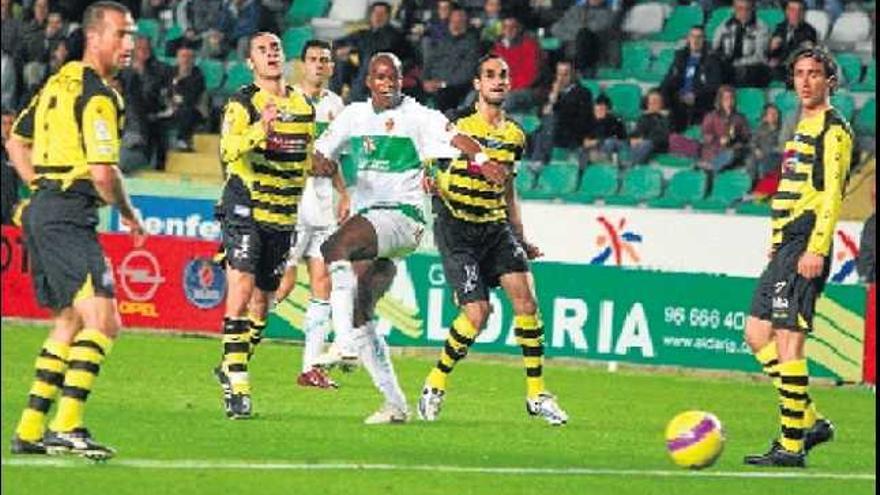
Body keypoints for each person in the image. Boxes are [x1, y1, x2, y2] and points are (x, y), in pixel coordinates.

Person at [311, 52, 496, 424]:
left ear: (401, 80)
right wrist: (322, 165)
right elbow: (317, 155)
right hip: (373, 226)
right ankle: (395, 404)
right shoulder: (353, 117)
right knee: (363, 310)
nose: (388, 82)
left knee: (333, 247)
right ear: (369, 81)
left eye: (394, 76)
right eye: (380, 77)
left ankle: (342, 340)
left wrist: (482, 160)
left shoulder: (419, 116)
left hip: (404, 218)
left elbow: (459, 138)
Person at [5, 1, 145, 459]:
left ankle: (29, 429)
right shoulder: (98, 93)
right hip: (67, 213)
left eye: (131, 36)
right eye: (121, 35)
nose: (129, 45)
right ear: (95, 36)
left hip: (46, 208)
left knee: (68, 321)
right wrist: (127, 212)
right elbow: (104, 172)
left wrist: (39, 187)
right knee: (104, 321)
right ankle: (67, 424)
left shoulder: (55, 83)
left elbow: (15, 141)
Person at [419, 54, 569, 426]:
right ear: (477, 84)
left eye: (503, 75)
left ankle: (537, 394)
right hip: (457, 227)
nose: (498, 81)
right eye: (490, 75)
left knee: (527, 301)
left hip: (495, 227)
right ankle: (435, 383)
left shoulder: (515, 135)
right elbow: (429, 164)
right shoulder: (457, 125)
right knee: (478, 314)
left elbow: (508, 191)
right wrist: (430, 181)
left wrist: (520, 237)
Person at [743, 45, 855, 468]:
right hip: (788, 241)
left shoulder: (834, 130)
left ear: (830, 81)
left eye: (815, 74)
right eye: (800, 73)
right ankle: (810, 421)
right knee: (757, 334)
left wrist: (816, 247)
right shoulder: (801, 126)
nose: (805, 81)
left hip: (808, 240)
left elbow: (831, 195)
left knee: (789, 343)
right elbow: (792, 187)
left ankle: (792, 445)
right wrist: (777, 237)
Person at [212, 32, 316, 420]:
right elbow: (227, 150)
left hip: (282, 215)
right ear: (250, 63)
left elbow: (304, 159)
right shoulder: (243, 102)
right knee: (240, 285)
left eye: (275, 48)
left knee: (262, 302)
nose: (271, 53)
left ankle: (229, 361)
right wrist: (262, 129)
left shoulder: (304, 105)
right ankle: (238, 383)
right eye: (262, 50)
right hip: (246, 206)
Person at [272, 40, 348, 390]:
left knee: (324, 284)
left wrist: (344, 193)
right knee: (283, 284)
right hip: (292, 202)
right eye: (313, 59)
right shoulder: (286, 99)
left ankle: (311, 368)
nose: (319, 65)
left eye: (325, 60)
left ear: (332, 67)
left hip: (323, 206)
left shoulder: (336, 106)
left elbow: (334, 160)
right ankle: (237, 344)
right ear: (302, 64)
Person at [421, 4, 481, 114]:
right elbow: (429, 62)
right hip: (433, 82)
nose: (457, 22)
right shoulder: (440, 40)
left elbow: (467, 72)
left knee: (444, 97)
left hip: (456, 86)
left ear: (466, 22)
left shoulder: (472, 43)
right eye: (455, 18)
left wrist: (443, 84)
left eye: (460, 19)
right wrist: (425, 80)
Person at [660, 25, 722, 132]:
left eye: (699, 37)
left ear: (704, 40)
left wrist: (695, 95)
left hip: (699, 100)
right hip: (679, 98)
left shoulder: (712, 59)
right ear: (688, 39)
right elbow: (669, 79)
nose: (695, 40)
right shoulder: (680, 56)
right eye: (693, 37)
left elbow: (713, 85)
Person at [712, 0, 771, 87]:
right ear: (734, 9)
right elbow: (714, 47)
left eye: (747, 9)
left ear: (752, 9)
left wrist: (738, 62)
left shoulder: (761, 27)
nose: (744, 12)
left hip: (750, 67)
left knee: (746, 70)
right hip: (728, 64)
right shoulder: (725, 25)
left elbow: (760, 57)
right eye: (740, 9)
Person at [699, 85, 751, 172]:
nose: (729, 101)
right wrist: (718, 140)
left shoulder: (740, 118)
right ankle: (712, 166)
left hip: (731, 151)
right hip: (714, 150)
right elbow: (704, 135)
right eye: (726, 98)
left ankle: (712, 167)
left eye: (731, 98)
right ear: (720, 100)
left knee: (734, 153)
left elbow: (746, 137)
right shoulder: (711, 116)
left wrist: (736, 138)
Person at [768, 0, 817, 82]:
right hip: (779, 68)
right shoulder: (780, 28)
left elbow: (799, 53)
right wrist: (771, 48)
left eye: (800, 10)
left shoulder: (809, 32)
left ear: (804, 14)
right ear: (787, 12)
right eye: (792, 10)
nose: (796, 14)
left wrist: (779, 60)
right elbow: (772, 53)